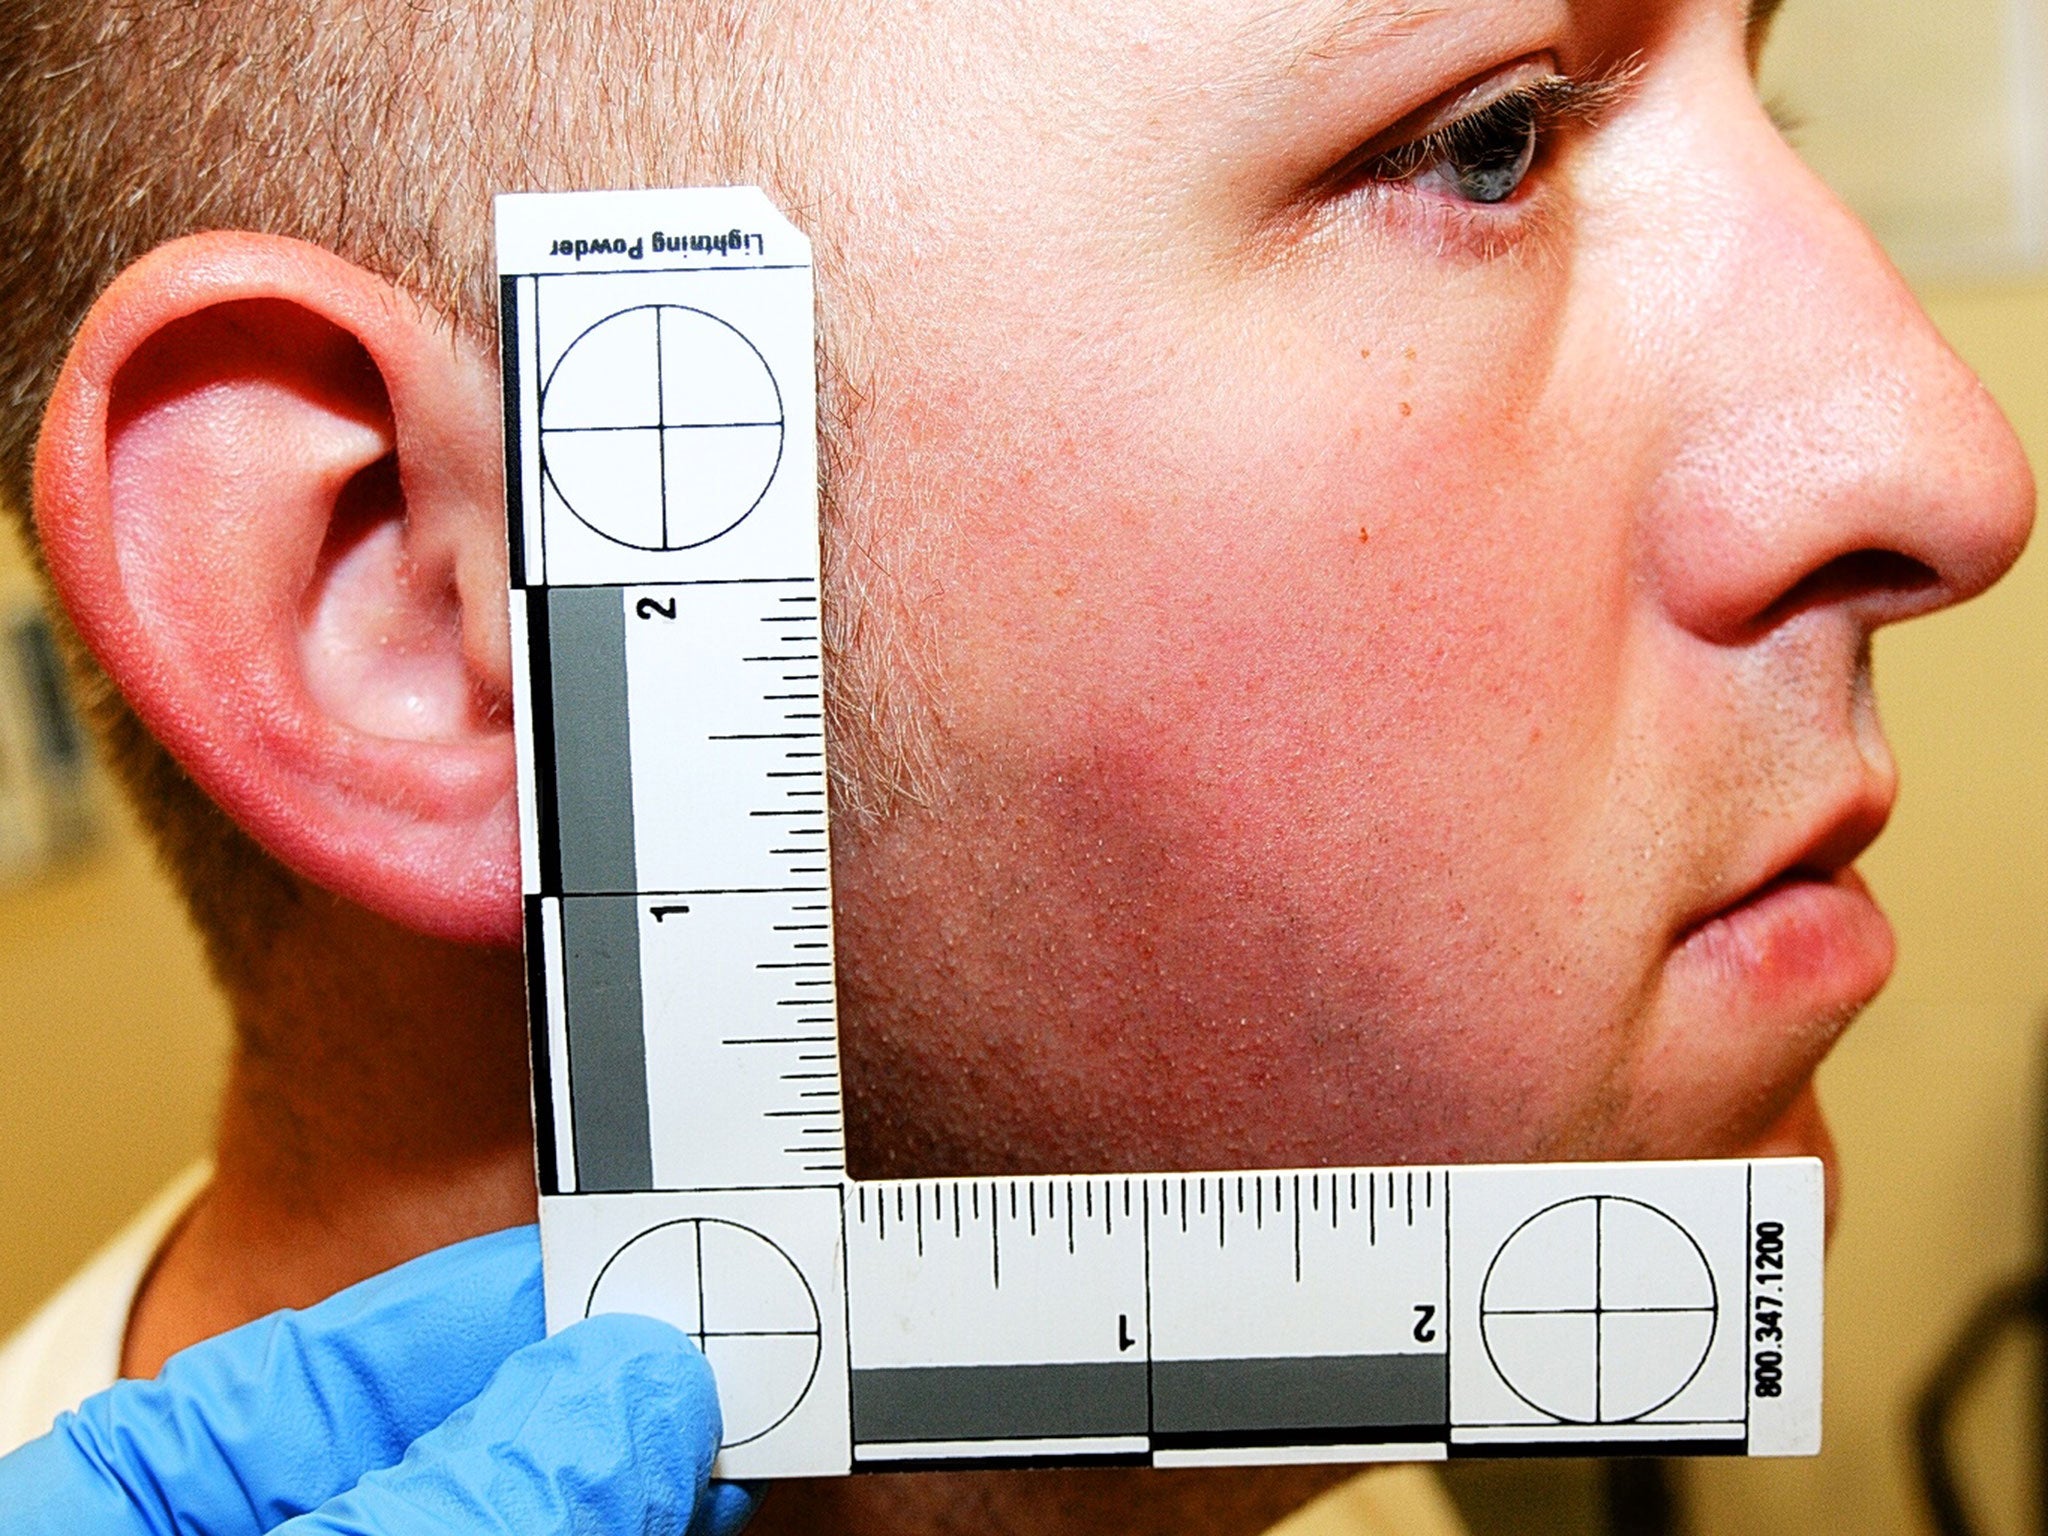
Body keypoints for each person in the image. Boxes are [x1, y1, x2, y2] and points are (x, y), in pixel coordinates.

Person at [0, 0, 2033, 1530]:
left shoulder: (1281, 1437)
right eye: (1486, 144)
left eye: (1771, 97)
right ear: (415, 609)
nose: (1948, 468)